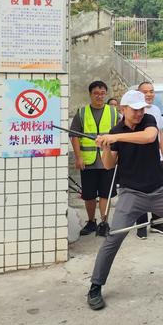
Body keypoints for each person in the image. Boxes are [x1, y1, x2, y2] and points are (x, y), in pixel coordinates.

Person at [86, 90, 163, 311]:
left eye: (141, 108)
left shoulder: (148, 120)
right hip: (130, 194)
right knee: (113, 239)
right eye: (134, 109)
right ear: (123, 109)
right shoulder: (115, 131)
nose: (138, 112)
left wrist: (115, 138)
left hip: (159, 191)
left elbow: (149, 137)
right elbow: (108, 165)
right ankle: (95, 286)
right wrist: (105, 148)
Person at [70, 81, 119, 236]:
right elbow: (75, 136)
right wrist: (78, 158)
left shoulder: (113, 112)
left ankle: (104, 223)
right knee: (89, 195)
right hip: (88, 161)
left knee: (106, 194)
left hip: (108, 160)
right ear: (90, 94)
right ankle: (91, 222)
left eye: (102, 93)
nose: (99, 96)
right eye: (96, 93)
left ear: (106, 94)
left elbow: (120, 135)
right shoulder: (82, 113)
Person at [135, 81, 163, 239]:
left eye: (151, 91)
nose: (149, 94)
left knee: (158, 189)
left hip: (155, 158)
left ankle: (157, 222)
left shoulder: (156, 110)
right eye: (145, 92)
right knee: (141, 190)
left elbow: (160, 135)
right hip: (139, 158)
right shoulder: (133, 111)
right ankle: (141, 224)